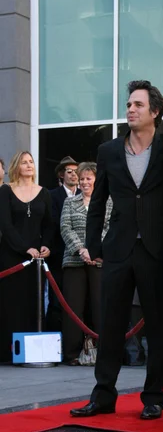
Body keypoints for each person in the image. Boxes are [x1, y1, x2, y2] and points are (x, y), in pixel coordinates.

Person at [70, 80, 163, 419]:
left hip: (156, 249)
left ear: (155, 112)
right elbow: (98, 200)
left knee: (158, 326)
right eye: (129, 104)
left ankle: (154, 397)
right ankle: (102, 396)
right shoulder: (109, 151)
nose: (130, 109)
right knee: (111, 324)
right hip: (117, 248)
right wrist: (93, 243)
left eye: (138, 105)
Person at [0, 151, 53, 362]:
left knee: (34, 301)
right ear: (16, 166)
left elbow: (49, 224)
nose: (29, 165)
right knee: (10, 304)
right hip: (11, 256)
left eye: (31, 161)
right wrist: (25, 248)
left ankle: (30, 353)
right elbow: (5, 225)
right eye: (24, 162)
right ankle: (7, 353)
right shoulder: (6, 191)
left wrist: (45, 245)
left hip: (36, 259)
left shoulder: (44, 192)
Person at [60, 162, 112, 365]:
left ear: (96, 180)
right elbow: (65, 227)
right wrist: (81, 249)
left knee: (100, 306)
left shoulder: (108, 202)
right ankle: (72, 353)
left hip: (99, 261)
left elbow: (110, 227)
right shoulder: (70, 203)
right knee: (73, 307)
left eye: (88, 178)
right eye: (81, 179)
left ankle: (103, 351)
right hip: (74, 261)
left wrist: (94, 250)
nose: (84, 182)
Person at [46, 156, 81, 332]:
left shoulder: (86, 194)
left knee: (78, 301)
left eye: (76, 172)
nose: (74, 175)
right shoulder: (52, 195)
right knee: (56, 300)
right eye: (70, 172)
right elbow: (51, 225)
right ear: (62, 175)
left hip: (80, 257)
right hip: (58, 254)